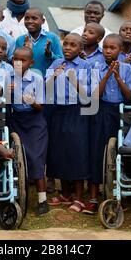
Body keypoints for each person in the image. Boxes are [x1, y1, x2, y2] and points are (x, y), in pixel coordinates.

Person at [85, 34, 131, 214]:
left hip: (120, 112)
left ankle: (121, 194)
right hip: (101, 110)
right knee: (97, 151)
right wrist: (107, 75)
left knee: (121, 152)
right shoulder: (94, 65)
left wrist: (118, 76)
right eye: (105, 47)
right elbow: (95, 96)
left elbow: (129, 96)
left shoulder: (128, 68)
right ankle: (92, 196)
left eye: (112, 48)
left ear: (120, 50)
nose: (108, 51)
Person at [45, 33, 91, 213]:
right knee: (59, 151)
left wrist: (74, 81)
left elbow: (89, 97)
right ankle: (65, 194)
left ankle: (79, 197)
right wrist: (54, 76)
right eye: (66, 44)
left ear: (80, 49)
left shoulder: (86, 66)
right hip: (57, 111)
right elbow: (45, 88)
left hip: (77, 111)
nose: (68, 48)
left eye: (73, 45)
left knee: (76, 152)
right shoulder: (56, 63)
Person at [8, 47, 49, 215]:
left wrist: (31, 101)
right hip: (15, 119)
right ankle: (16, 193)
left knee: (36, 157)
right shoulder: (8, 77)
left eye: (22, 60)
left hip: (34, 121)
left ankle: (42, 200)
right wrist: (7, 92)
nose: (18, 63)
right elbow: (1, 101)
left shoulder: (37, 79)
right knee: (15, 155)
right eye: (15, 60)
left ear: (31, 63)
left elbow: (41, 107)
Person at [14, 8, 63, 76]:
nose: (30, 21)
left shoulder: (52, 38)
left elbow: (61, 62)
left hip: (48, 81)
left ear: (43, 21)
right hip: (27, 82)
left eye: (34, 18)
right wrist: (26, 52)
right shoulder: (20, 40)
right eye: (27, 18)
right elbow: (16, 64)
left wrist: (50, 55)